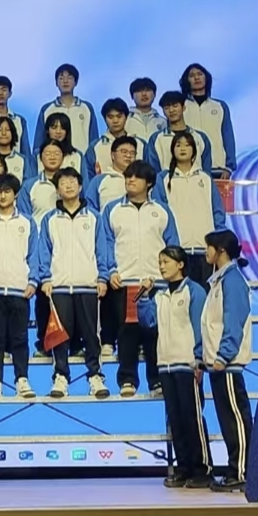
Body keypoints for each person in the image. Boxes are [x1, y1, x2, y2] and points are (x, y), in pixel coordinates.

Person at [136, 245, 213, 490]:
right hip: (165, 365)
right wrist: (143, 297)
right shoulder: (159, 295)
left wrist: (199, 359)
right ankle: (183, 468)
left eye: (166, 261)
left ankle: (202, 469)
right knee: (175, 420)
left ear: (180, 264)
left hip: (188, 364)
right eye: (160, 262)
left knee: (192, 418)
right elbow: (148, 322)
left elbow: (200, 326)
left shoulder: (194, 290)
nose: (161, 266)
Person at [99, 160, 179, 397]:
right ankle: (127, 380)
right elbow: (106, 243)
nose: (130, 180)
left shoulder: (162, 211)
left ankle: (157, 382)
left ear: (149, 183)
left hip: (156, 283)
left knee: (156, 334)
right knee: (127, 332)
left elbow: (172, 245)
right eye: (128, 177)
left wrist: (169, 275)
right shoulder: (112, 209)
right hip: (126, 282)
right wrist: (111, 271)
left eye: (136, 177)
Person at [37, 168, 110, 399]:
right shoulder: (49, 219)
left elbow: (102, 250)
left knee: (91, 334)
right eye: (63, 182)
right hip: (59, 286)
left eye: (72, 181)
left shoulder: (94, 217)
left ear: (80, 186)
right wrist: (45, 278)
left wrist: (103, 277)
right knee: (59, 334)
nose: (68, 186)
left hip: (88, 286)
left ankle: (95, 376)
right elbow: (44, 251)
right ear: (57, 190)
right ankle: (60, 377)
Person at [0, 174, 41, 400]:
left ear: (15, 194)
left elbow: (34, 255)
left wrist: (33, 282)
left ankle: (22, 379)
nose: (2, 196)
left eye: (7, 191)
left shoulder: (27, 223)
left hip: (19, 290)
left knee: (20, 338)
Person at [202, 229, 255, 492]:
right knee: (227, 421)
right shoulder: (219, 280)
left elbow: (234, 320)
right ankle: (234, 470)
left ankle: (244, 472)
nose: (205, 252)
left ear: (220, 250)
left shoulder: (232, 280)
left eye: (208, 247)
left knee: (237, 419)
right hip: (217, 365)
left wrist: (224, 354)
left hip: (228, 364)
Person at [153, 132, 229, 284]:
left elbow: (218, 212)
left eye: (187, 145)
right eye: (178, 145)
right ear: (172, 150)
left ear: (194, 150)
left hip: (204, 252)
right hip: (178, 252)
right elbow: (159, 214)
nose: (183, 148)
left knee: (206, 295)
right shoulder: (163, 179)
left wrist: (217, 244)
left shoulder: (205, 178)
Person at [178, 63, 237, 177]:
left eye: (200, 74)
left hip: (218, 168)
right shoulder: (180, 106)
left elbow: (228, 136)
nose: (196, 78)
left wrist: (229, 167)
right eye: (192, 75)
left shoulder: (220, 106)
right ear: (186, 81)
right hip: (189, 168)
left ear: (206, 78)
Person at [35, 63, 98, 154]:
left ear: (76, 82)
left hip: (81, 158)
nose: (65, 81)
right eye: (61, 78)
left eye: (69, 78)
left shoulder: (86, 108)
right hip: (54, 158)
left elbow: (94, 138)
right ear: (56, 83)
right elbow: (39, 140)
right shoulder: (47, 109)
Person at [149, 92, 214, 174]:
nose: (171, 110)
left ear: (183, 107)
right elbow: (153, 171)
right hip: (167, 181)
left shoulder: (200, 137)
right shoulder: (156, 139)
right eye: (167, 108)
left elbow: (206, 170)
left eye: (175, 106)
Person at [86, 99, 147, 177]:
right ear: (104, 119)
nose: (115, 121)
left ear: (126, 117)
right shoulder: (95, 147)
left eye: (119, 116)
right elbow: (88, 176)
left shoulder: (141, 144)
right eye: (110, 117)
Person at [83, 136, 138, 212]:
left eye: (132, 153)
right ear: (112, 155)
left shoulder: (140, 180)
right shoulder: (99, 180)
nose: (128, 156)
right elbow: (90, 209)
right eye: (124, 152)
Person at [26, 143, 63, 224]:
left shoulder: (71, 184)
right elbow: (24, 216)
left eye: (56, 154)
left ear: (63, 157)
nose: (52, 157)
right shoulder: (29, 185)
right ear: (40, 158)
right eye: (48, 154)